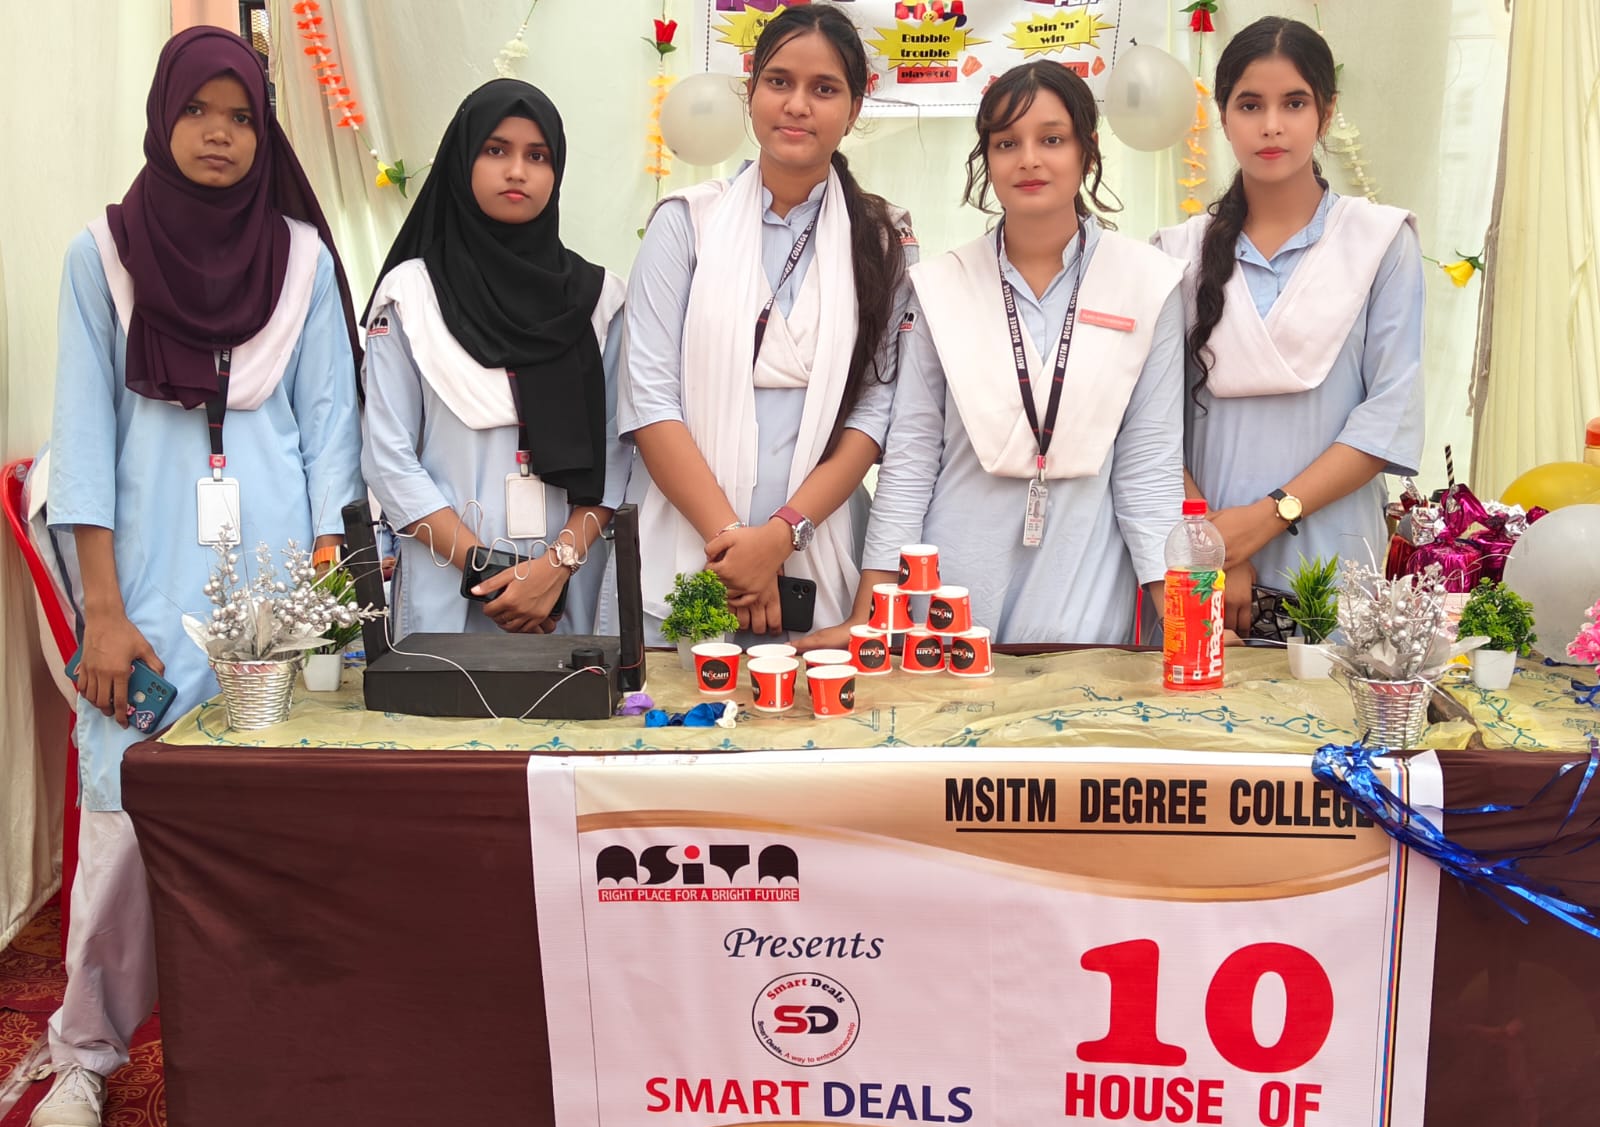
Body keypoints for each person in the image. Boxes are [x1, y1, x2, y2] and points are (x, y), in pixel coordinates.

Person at [31, 27, 363, 1127]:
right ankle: (85, 1056)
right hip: (146, 582)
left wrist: (323, 602)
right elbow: (83, 439)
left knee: (274, 826)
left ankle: (279, 1051)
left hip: (276, 587)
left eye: (240, 116)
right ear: (160, 119)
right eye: (196, 112)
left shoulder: (303, 263)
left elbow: (331, 432)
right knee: (125, 819)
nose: (218, 135)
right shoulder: (103, 256)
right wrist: (102, 612)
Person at [808, 60, 1186, 647]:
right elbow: (910, 460)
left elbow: (1149, 469)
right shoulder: (941, 285)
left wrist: (1186, 625)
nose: (1028, 159)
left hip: (1083, 582)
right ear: (987, 158)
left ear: (1088, 150)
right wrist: (870, 613)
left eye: (1052, 140)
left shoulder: (1148, 282)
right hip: (951, 585)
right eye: (1007, 143)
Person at [616, 2, 915, 644]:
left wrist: (779, 537)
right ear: (750, 91)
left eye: (824, 88)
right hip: (688, 547)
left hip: (818, 554)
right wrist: (734, 547)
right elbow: (649, 399)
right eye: (779, 81)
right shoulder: (685, 222)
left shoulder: (884, 238)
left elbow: (876, 410)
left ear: (855, 109)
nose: (797, 105)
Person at [1154, 16, 1424, 636]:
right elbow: (1153, 426)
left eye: (1294, 103)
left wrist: (1264, 520)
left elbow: (1389, 415)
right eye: (1250, 105)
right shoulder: (1176, 254)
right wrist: (1214, 546)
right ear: (1223, 116)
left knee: (1333, 696)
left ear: (1326, 113)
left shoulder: (1380, 242)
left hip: (1333, 557)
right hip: (1205, 563)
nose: (1271, 125)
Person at [362, 80, 627, 638]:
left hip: (567, 588)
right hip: (449, 585)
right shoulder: (411, 296)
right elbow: (389, 459)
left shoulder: (599, 300)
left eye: (538, 156)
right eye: (496, 150)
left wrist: (553, 569)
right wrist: (489, 571)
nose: (517, 171)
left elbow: (617, 455)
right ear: (463, 161)